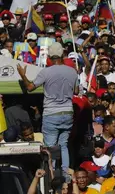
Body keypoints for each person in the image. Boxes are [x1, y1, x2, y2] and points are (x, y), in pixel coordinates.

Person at [17, 42, 78, 178]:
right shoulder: (72, 71)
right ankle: (65, 174)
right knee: (63, 145)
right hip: (67, 112)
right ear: (62, 55)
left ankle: (52, 175)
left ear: (49, 57)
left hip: (52, 113)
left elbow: (30, 87)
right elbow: (77, 90)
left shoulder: (46, 72)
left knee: (50, 147)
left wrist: (22, 75)